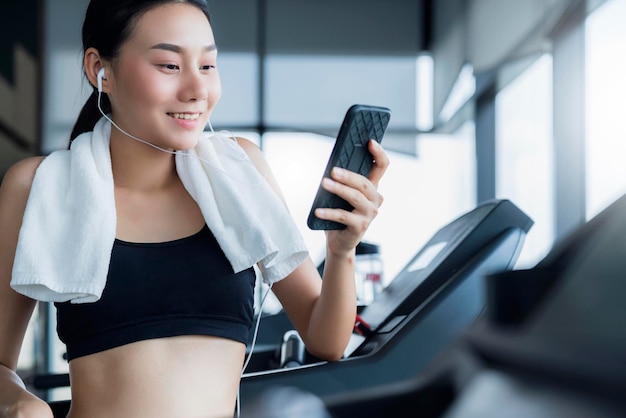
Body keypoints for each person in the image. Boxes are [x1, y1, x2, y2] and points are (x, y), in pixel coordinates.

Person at [0, 0, 389, 417]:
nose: (197, 90)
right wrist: (22, 403)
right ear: (101, 70)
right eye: (169, 65)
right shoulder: (38, 186)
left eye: (207, 66)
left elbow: (325, 340)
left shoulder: (241, 173)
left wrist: (341, 250)